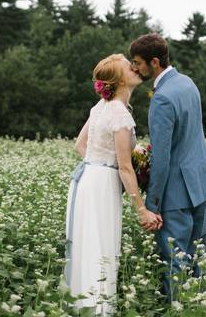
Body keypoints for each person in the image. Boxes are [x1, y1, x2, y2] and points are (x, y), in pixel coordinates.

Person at [64, 53, 163, 315]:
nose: (134, 68)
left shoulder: (100, 107)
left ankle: (85, 306)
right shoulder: (119, 114)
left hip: (88, 179)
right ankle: (98, 309)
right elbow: (124, 166)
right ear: (120, 80)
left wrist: (99, 163)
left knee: (90, 244)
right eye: (128, 67)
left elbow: (81, 146)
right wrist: (142, 209)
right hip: (103, 183)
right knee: (102, 247)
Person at [129, 33, 206, 300]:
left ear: (154, 62)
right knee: (197, 261)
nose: (135, 68)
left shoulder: (162, 98)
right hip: (201, 185)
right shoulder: (187, 83)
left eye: (137, 63)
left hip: (176, 194)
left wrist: (152, 205)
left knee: (175, 265)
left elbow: (163, 157)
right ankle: (199, 306)